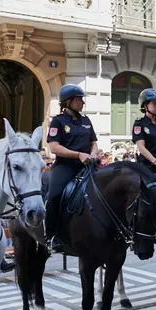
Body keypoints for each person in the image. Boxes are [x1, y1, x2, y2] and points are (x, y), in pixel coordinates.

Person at [45, 84, 99, 251]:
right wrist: (78, 155)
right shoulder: (58, 121)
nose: (82, 102)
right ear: (68, 102)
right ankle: (51, 236)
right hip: (65, 166)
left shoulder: (86, 120)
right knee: (54, 196)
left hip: (87, 165)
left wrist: (93, 154)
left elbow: (93, 142)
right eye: (79, 99)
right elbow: (54, 147)